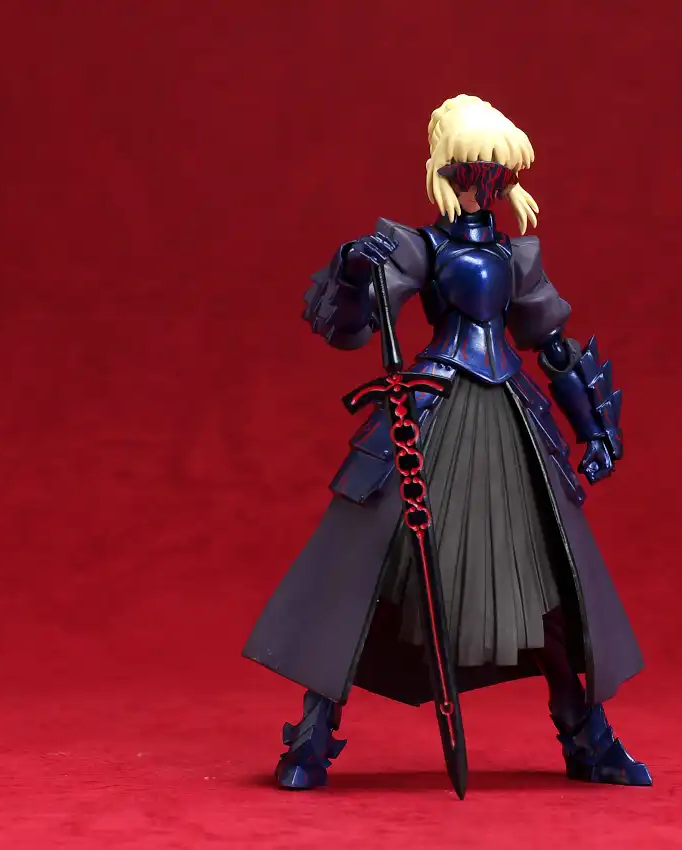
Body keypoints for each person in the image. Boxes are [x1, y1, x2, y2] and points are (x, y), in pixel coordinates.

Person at [243, 94, 649, 790]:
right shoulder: (420, 249)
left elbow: (552, 345)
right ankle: (311, 737)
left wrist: (595, 429)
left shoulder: (516, 256)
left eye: (494, 175)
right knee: (372, 566)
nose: (480, 187)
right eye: (468, 172)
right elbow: (351, 328)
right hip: (435, 413)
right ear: (444, 171)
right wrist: (353, 268)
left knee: (546, 574)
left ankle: (587, 734)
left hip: (511, 418)